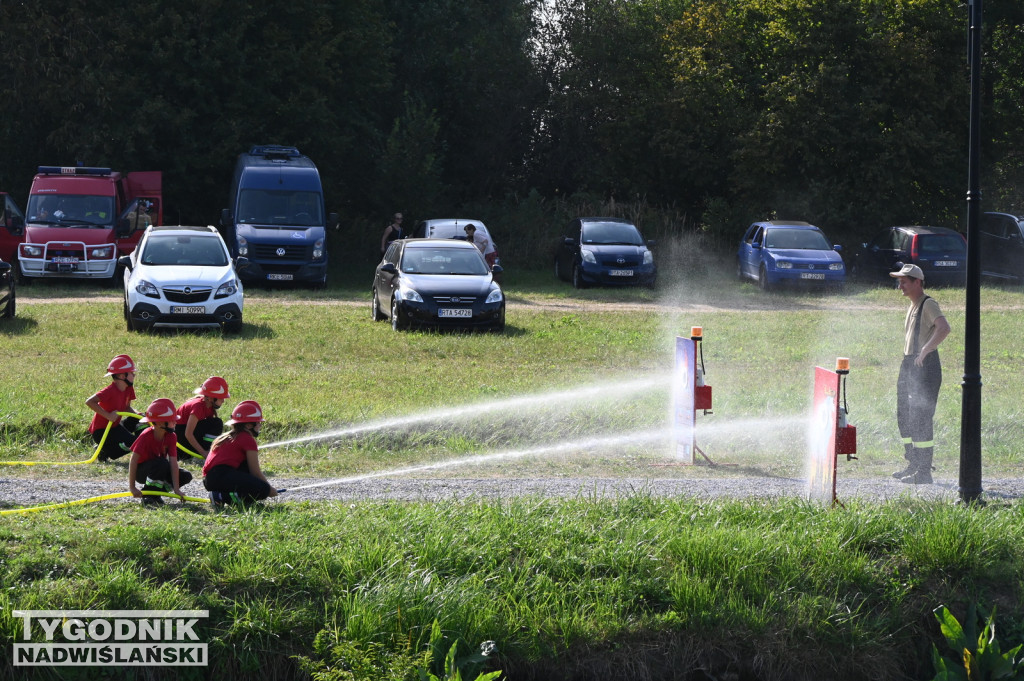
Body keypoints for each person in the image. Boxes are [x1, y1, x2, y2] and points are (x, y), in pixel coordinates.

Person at [890, 263, 950, 484]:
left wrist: (926, 350)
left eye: (904, 282)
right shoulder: (913, 305)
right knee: (904, 414)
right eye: (899, 282)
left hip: (924, 366)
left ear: (918, 282)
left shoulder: (928, 304)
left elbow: (944, 327)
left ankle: (924, 472)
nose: (900, 287)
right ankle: (913, 463)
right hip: (909, 364)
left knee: (921, 417)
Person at [202, 400, 278, 508]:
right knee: (262, 489)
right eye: (258, 422)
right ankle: (220, 496)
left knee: (255, 484)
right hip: (220, 476)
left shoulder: (226, 436)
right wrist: (269, 489)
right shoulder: (247, 439)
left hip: (210, 479)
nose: (260, 425)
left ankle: (238, 499)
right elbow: (255, 472)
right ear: (248, 425)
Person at [128, 398, 192, 506]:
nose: (175, 422)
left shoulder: (171, 436)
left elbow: (173, 463)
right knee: (161, 463)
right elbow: (133, 461)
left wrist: (176, 489)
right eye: (171, 420)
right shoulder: (145, 436)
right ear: (158, 423)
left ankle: (155, 494)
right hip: (143, 472)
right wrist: (132, 487)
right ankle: (148, 495)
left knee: (186, 476)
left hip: (159, 467)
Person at [86, 354, 141, 461]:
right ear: (121, 376)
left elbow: (127, 408)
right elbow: (89, 402)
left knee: (138, 420)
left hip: (115, 426)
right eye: (131, 373)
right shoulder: (109, 391)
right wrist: (108, 415)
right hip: (101, 431)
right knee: (134, 444)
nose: (134, 375)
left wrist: (141, 416)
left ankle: (109, 448)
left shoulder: (128, 389)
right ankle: (105, 451)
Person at [175, 376, 229, 462]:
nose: (223, 401)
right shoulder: (198, 407)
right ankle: (204, 453)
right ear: (211, 398)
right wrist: (203, 453)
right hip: (180, 438)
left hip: (184, 438)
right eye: (221, 397)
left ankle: (208, 450)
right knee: (217, 423)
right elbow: (188, 434)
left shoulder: (209, 407)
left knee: (215, 423)